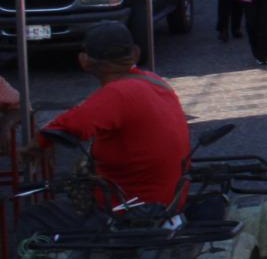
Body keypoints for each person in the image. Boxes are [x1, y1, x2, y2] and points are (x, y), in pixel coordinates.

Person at [17, 23, 189, 241]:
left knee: (33, 217)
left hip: (134, 210)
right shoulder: (155, 82)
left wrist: (35, 146)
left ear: (84, 61)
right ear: (135, 52)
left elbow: (69, 125)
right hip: (168, 199)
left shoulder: (118, 93)